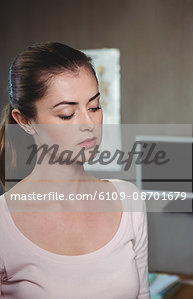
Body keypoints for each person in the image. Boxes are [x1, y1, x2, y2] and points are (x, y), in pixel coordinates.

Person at [0, 42, 150, 298]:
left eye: (94, 107)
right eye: (67, 114)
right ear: (25, 121)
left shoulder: (128, 199)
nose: (89, 124)